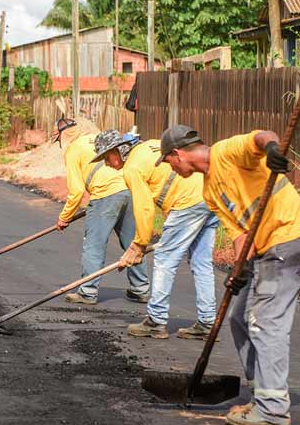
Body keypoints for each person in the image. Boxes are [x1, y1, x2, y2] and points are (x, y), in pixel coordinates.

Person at [157, 124, 300, 425]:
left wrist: (273, 150)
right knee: (240, 317)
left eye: (168, 162)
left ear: (177, 154)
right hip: (265, 252)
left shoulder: (227, 153)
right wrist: (239, 268)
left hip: (289, 239)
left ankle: (273, 410)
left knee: (265, 321)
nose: (170, 168)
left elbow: (261, 137)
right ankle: (263, 392)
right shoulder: (208, 190)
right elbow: (241, 233)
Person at [92, 131, 219, 340]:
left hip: (187, 204)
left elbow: (144, 209)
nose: (107, 164)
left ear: (118, 151)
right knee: (201, 262)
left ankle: (156, 320)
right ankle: (207, 323)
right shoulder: (149, 146)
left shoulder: (132, 168)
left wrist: (139, 245)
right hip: (209, 195)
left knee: (164, 261)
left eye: (107, 157)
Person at [57, 124, 150, 305]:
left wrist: (64, 217)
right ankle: (140, 289)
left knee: (94, 244)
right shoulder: (102, 138)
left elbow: (76, 191)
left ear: (64, 137)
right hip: (129, 189)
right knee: (133, 242)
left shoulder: (73, 150)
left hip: (105, 195)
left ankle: (88, 291)